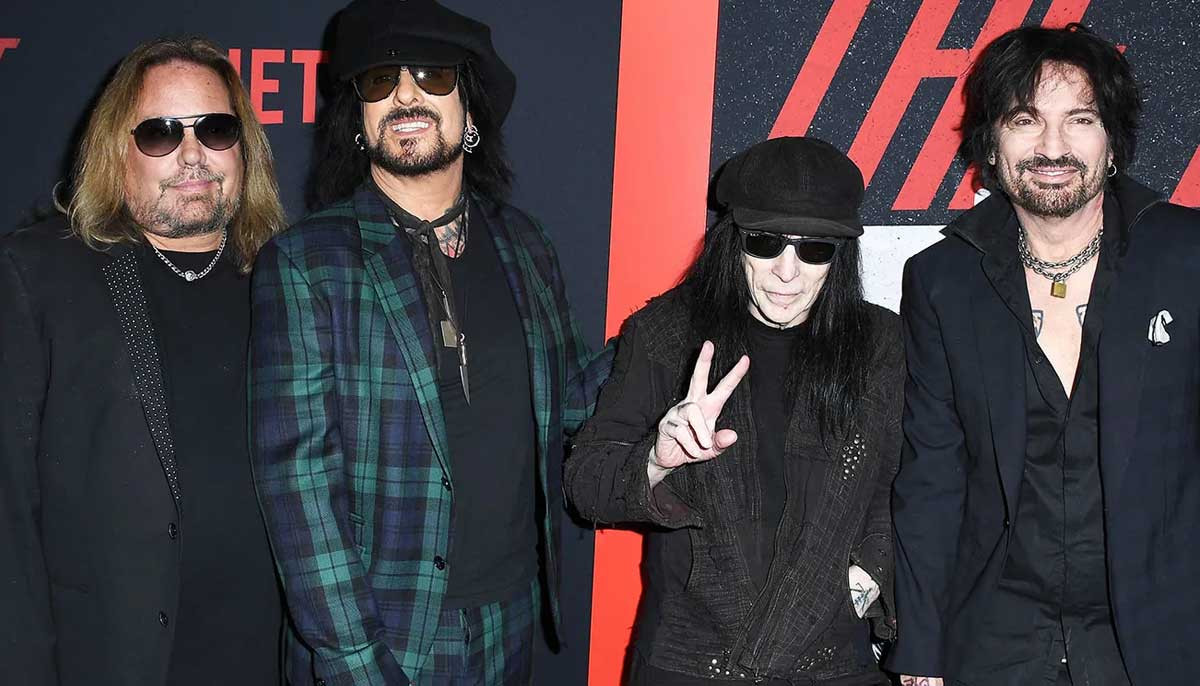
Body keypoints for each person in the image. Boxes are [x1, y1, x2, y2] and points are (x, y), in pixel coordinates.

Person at [248, 1, 607, 684]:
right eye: (380, 80)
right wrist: (359, 665)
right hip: (383, 639)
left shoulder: (525, 243)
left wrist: (673, 330)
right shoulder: (305, 262)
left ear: (470, 112)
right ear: (357, 119)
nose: (406, 93)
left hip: (509, 620)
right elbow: (299, 488)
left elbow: (570, 400)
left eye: (432, 74)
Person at [889, 23, 1200, 686]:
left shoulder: (1187, 258)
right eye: (1025, 120)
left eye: (1079, 120)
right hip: (994, 639)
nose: (1053, 147)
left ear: (1112, 142)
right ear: (991, 144)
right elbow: (932, 476)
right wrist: (919, 647)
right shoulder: (942, 281)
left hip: (1159, 635)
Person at [0, 37, 287, 685]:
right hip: (112, 661)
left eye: (215, 129)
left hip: (266, 657)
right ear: (116, 152)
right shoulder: (37, 275)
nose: (192, 154)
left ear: (244, 148)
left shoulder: (289, 278)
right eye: (160, 133)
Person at [565, 137, 903, 685]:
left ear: (840, 256)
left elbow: (911, 484)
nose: (787, 272)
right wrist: (656, 459)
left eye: (814, 249)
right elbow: (585, 484)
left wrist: (865, 578)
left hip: (832, 661)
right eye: (766, 243)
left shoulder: (880, 344)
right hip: (690, 663)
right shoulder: (664, 334)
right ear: (733, 241)